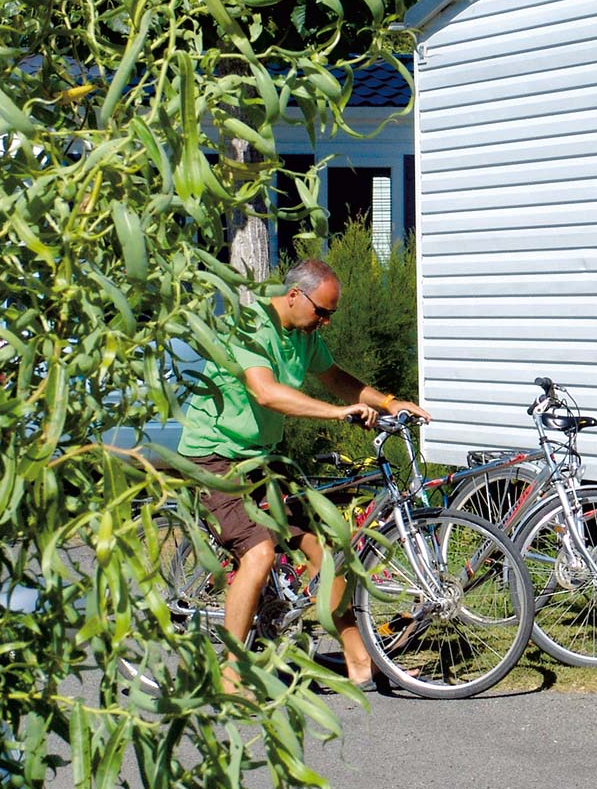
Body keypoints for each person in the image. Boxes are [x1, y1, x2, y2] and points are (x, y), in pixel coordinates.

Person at [175, 258, 431, 693]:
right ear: (294, 295)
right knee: (257, 556)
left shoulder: (303, 334)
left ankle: (359, 661)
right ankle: (231, 674)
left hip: (261, 457)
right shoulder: (248, 327)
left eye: (331, 314)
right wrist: (337, 413)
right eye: (322, 312)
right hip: (214, 459)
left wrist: (390, 402)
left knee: (330, 549)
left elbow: (334, 378)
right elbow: (266, 392)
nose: (326, 322)